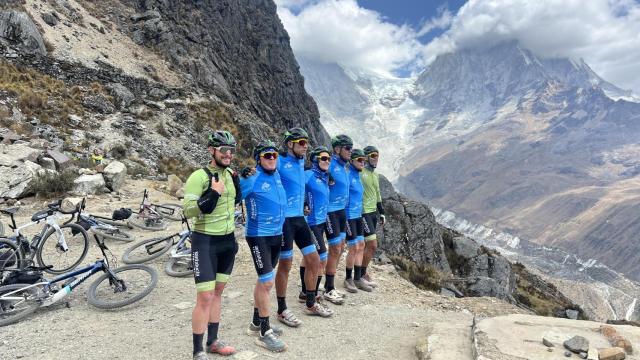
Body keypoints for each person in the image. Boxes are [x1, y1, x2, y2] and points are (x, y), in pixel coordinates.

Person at [183, 130, 241, 360]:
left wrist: (240, 181)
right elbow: (188, 210)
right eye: (224, 150)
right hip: (205, 240)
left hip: (227, 240)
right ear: (212, 150)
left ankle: (213, 341)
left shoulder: (230, 174)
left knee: (218, 293)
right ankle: (197, 351)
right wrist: (212, 194)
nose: (228, 154)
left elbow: (236, 201)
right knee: (205, 297)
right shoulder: (199, 176)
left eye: (232, 150)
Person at [275, 128, 332, 325]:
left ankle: (310, 302)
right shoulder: (280, 162)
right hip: (284, 222)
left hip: (300, 219)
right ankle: (281, 309)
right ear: (289, 144)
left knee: (314, 260)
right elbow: (264, 177)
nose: (305, 145)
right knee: (285, 265)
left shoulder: (301, 164)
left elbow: (300, 189)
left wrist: (305, 204)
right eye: (301, 142)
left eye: (306, 142)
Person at [240, 140, 288, 352]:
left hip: (277, 235)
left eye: (274, 155)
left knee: (263, 281)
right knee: (267, 282)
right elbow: (234, 194)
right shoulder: (251, 177)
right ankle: (264, 332)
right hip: (258, 235)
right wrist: (240, 176)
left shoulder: (276, 175)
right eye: (267, 155)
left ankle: (255, 323)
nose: (272, 158)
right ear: (258, 158)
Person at [300, 146, 343, 305]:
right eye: (323, 158)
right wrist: (304, 202)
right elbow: (299, 187)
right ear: (315, 160)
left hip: (321, 220)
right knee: (321, 258)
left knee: (308, 259)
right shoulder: (309, 174)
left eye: (329, 159)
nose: (327, 161)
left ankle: (305, 292)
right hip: (311, 223)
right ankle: (314, 295)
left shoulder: (324, 176)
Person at [322, 134, 353, 304]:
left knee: (340, 248)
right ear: (337, 149)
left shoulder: (343, 167)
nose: (350, 151)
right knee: (334, 249)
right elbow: (310, 171)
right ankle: (328, 288)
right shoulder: (330, 164)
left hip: (341, 212)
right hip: (330, 212)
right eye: (347, 148)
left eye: (351, 148)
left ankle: (327, 282)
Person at [343, 149, 372, 292]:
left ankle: (358, 278)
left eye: (364, 160)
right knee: (353, 247)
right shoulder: (348, 176)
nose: (363, 163)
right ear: (351, 161)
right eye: (359, 160)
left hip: (358, 216)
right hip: (349, 216)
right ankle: (348, 279)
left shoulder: (357, 176)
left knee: (361, 245)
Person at [360, 145, 385, 286]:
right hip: (363, 213)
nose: (376, 159)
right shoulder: (360, 172)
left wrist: (382, 212)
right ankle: (361, 273)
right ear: (367, 157)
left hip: (372, 213)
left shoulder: (375, 175)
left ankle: (360, 272)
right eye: (373, 156)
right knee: (372, 245)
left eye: (377, 156)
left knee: (365, 245)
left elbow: (378, 194)